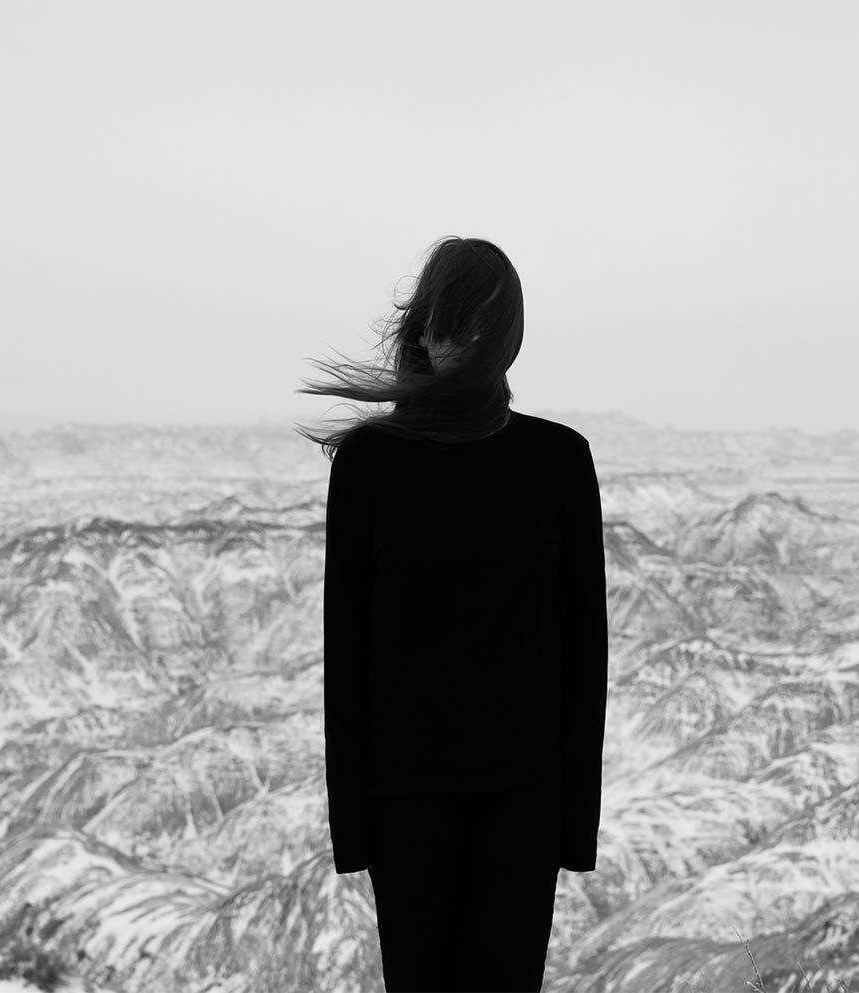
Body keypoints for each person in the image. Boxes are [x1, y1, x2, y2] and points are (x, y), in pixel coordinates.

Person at [295, 236, 609, 992]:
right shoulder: (372, 464)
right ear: (421, 329)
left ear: (507, 338)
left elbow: (585, 648)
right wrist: (356, 828)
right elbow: (347, 646)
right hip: (408, 802)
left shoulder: (559, 460)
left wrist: (574, 824)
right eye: (446, 321)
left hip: (524, 798)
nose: (459, 341)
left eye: (478, 325)